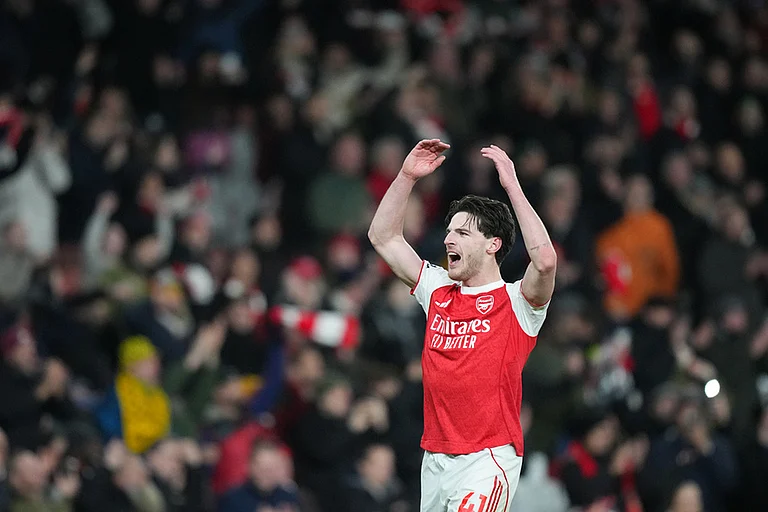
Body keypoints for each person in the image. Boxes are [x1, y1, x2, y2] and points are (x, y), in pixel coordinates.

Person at [368, 139, 557, 511]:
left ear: (492, 245)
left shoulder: (518, 303)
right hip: (435, 458)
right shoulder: (437, 289)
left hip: (486, 459)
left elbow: (546, 261)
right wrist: (406, 176)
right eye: (449, 231)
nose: (448, 238)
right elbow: (383, 238)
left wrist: (512, 188)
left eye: (463, 233)